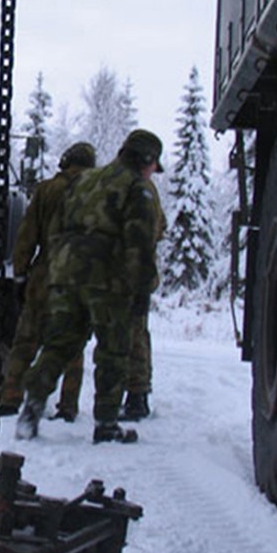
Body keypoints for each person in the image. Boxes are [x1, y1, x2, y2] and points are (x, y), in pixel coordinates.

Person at [15, 129, 164, 443]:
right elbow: (140, 244)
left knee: (59, 345)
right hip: (107, 281)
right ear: (146, 160)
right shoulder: (137, 189)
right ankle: (106, 423)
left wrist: (56, 270)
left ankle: (31, 408)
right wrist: (141, 290)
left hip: (66, 275)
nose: (154, 172)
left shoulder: (85, 180)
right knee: (112, 351)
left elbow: (59, 227)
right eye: (154, 166)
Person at [0, 142, 97, 419]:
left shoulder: (45, 190)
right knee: (73, 346)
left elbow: (26, 236)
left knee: (25, 341)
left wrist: (20, 273)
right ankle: (67, 406)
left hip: (44, 277)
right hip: (79, 278)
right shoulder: (95, 193)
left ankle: (11, 397)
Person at [119, 178, 166, 421]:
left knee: (134, 335)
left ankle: (137, 398)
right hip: (140, 275)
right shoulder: (148, 190)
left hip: (134, 276)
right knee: (138, 334)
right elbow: (161, 228)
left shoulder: (138, 190)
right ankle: (136, 396)